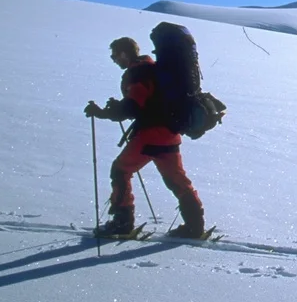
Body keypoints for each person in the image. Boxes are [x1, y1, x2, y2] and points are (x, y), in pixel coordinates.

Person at [84, 36, 207, 239]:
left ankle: (122, 223)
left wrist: (104, 112)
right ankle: (195, 225)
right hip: (169, 134)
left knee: (121, 170)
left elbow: (134, 106)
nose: (114, 59)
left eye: (115, 55)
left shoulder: (137, 73)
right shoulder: (154, 68)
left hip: (150, 136)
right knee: (177, 180)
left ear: (124, 53)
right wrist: (119, 106)